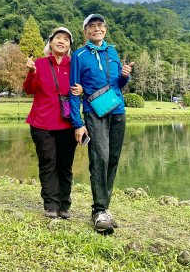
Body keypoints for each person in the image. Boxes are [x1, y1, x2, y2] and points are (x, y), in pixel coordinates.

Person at [69, 14, 133, 234]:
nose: (96, 29)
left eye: (100, 25)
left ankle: (105, 208)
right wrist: (78, 123)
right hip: (94, 112)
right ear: (85, 32)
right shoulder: (78, 55)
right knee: (100, 158)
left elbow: (118, 84)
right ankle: (98, 210)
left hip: (117, 110)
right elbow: (73, 91)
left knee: (113, 159)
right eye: (91, 26)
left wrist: (125, 77)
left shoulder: (112, 52)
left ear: (105, 29)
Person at [23, 27, 82, 219]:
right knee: (48, 163)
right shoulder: (39, 63)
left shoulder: (74, 65)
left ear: (69, 46)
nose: (62, 41)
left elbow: (84, 89)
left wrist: (82, 90)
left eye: (66, 39)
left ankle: (64, 204)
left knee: (65, 165)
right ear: (50, 42)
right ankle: (50, 204)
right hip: (42, 123)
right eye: (58, 38)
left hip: (67, 124)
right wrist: (31, 72)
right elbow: (29, 90)